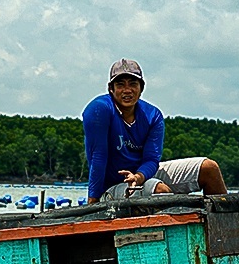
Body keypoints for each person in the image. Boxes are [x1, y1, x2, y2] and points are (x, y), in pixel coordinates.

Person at [83, 59, 227, 201]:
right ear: (111, 89)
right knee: (160, 191)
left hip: (144, 173)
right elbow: (98, 157)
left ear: (141, 88)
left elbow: (151, 159)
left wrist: (139, 177)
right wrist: (93, 203)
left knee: (209, 168)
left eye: (133, 84)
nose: (127, 90)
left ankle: (225, 221)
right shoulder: (99, 109)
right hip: (113, 184)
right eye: (120, 85)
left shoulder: (153, 115)